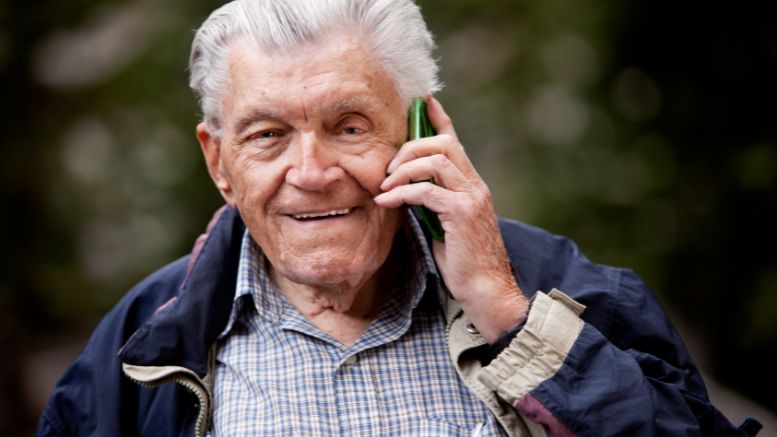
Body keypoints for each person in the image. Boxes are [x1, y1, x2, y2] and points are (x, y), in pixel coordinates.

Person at [37, 0, 760, 436]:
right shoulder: (137, 345)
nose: (312, 172)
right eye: (267, 135)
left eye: (350, 126)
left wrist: (509, 315)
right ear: (219, 162)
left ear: (418, 132)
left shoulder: (561, 293)